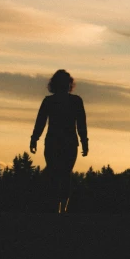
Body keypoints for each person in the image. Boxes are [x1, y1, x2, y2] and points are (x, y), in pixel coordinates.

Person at [30, 69, 88, 213]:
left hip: (55, 142)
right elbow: (81, 124)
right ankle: (61, 207)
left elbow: (40, 122)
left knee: (57, 174)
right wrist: (84, 142)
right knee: (63, 174)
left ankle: (59, 207)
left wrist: (34, 139)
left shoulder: (51, 101)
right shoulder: (74, 101)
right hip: (65, 143)